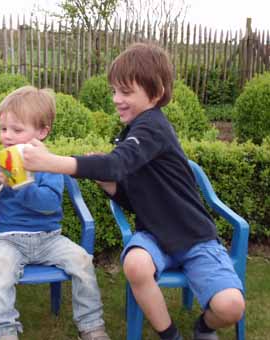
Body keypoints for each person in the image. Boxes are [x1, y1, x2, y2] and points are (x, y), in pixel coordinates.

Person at [22, 43, 245, 340]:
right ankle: (171, 335)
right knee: (136, 264)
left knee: (230, 306)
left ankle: (204, 326)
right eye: (114, 91)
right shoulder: (134, 132)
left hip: (194, 236)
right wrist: (110, 186)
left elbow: (115, 164)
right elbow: (132, 194)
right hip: (154, 235)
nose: (116, 99)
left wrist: (51, 162)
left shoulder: (153, 127)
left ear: (155, 93)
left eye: (126, 92)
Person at [0, 86, 110, 340]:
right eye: (3, 129)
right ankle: (4, 330)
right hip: (8, 238)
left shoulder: (48, 163)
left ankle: (91, 326)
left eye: (17, 130)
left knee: (82, 262)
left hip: (49, 238)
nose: (7, 136)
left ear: (42, 132)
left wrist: (20, 185)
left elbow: (49, 204)